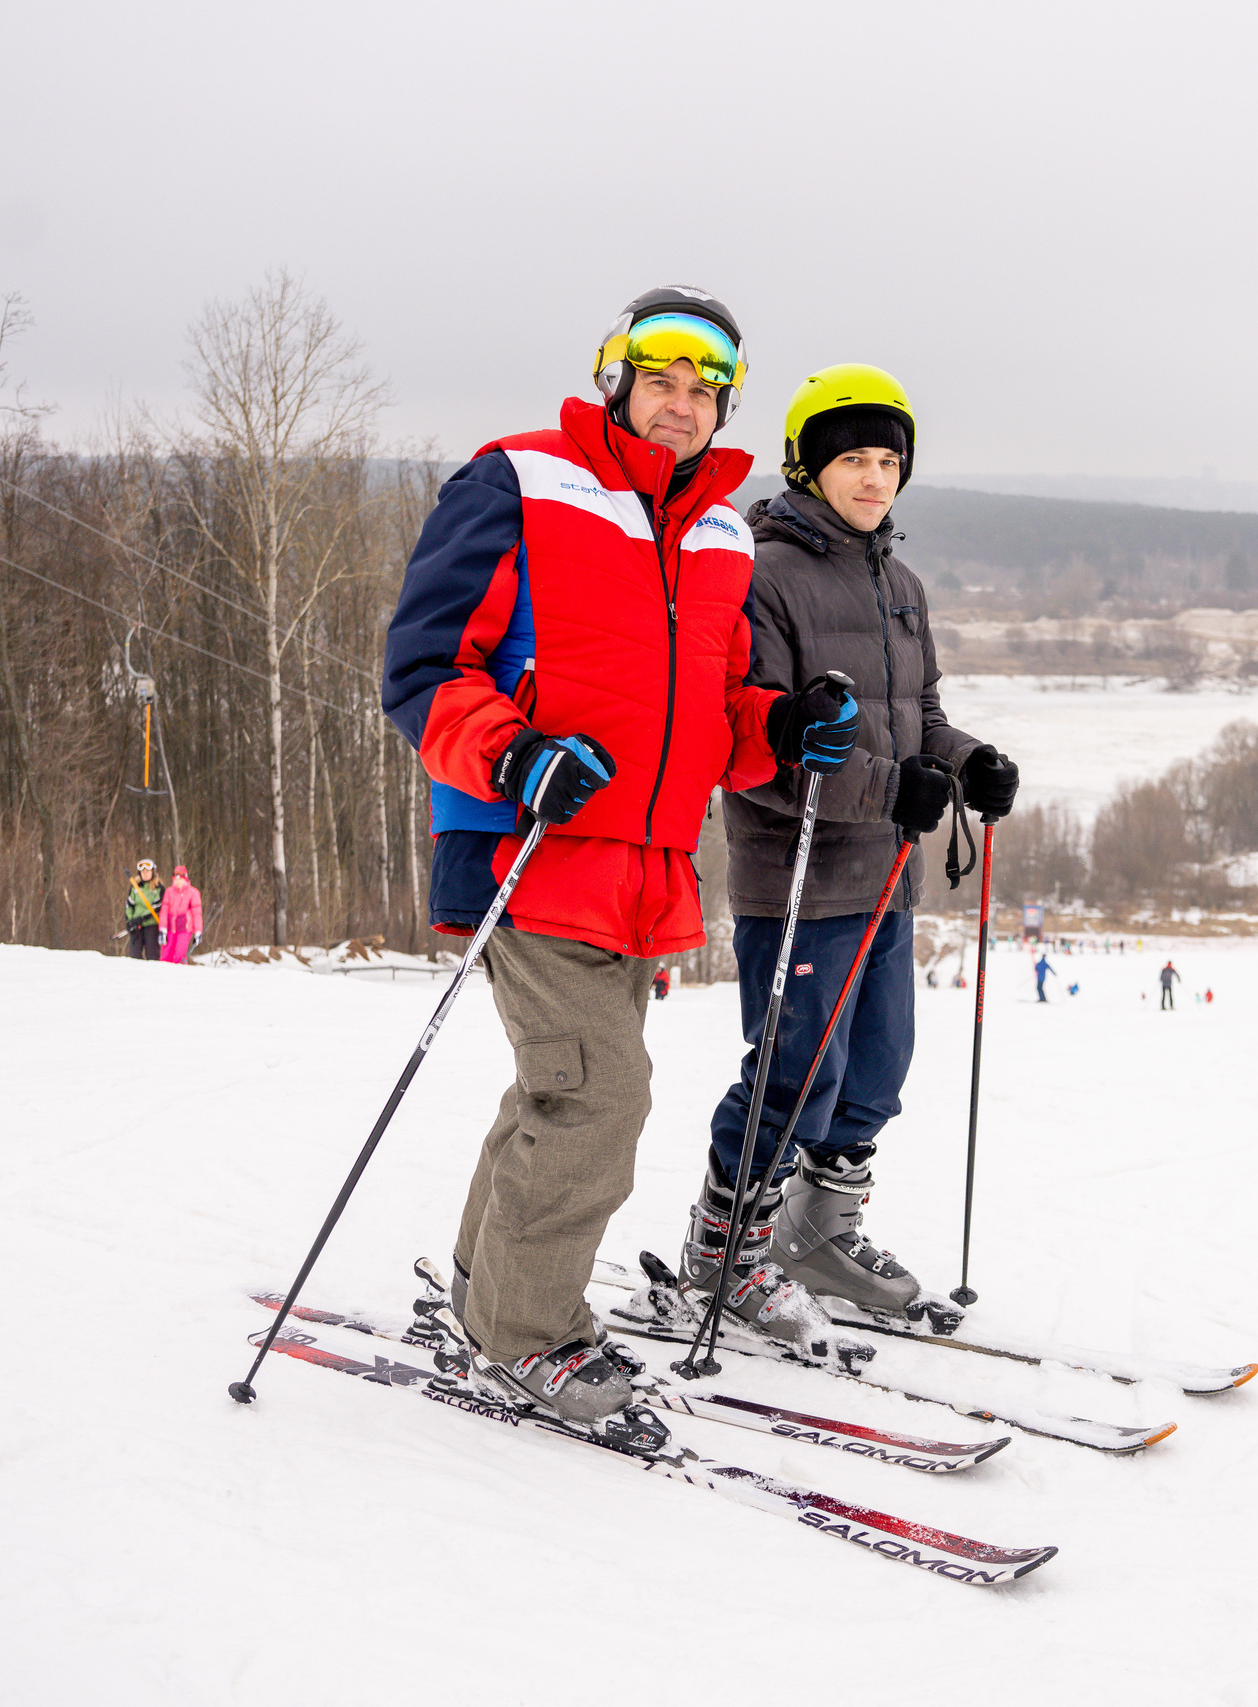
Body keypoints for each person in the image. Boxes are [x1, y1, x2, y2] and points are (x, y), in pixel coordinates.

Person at [381, 286, 860, 1429]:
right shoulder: (520, 481)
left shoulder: (720, 533)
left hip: (642, 871)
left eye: (705, 390)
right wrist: (515, 758)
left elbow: (716, 714)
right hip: (529, 844)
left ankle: (484, 1288)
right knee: (598, 1098)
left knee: (559, 1088)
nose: (681, 404)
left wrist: (783, 730)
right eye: (661, 380)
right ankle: (528, 1336)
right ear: (618, 379)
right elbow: (425, 669)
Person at [696, 363, 1018, 1321]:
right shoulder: (765, 573)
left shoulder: (901, 581)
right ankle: (724, 1245)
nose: (874, 479)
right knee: (796, 1072)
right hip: (795, 875)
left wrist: (964, 764)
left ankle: (818, 1231)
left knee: (878, 1067)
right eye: (853, 460)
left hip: (885, 873)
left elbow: (917, 714)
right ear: (808, 466)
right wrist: (896, 784)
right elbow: (764, 741)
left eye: (889, 460)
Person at [159, 863, 204, 963]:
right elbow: (164, 911)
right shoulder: (169, 892)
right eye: (176, 879)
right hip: (170, 928)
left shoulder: (193, 892)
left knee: (179, 955)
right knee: (166, 956)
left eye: (180, 879)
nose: (178, 881)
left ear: (185, 879)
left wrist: (198, 931)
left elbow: (197, 913)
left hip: (184, 928)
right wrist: (163, 928)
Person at [122, 860, 163, 959]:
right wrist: (130, 921)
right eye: (142, 872)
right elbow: (129, 905)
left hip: (151, 925)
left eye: (147, 871)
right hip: (136, 926)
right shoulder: (135, 887)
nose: (145, 874)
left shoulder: (159, 888)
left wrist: (142, 918)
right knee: (134, 954)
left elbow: (157, 906)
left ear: (153, 872)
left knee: (152, 954)